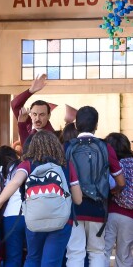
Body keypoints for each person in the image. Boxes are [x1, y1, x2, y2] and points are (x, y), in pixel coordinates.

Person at [0, 131, 83, 267]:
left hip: (34, 219)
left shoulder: (27, 164)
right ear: (55, 145)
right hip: (62, 221)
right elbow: (78, 199)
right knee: (51, 262)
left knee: (33, 258)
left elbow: (15, 182)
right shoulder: (67, 165)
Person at [65, 106, 126, 267]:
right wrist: (111, 191)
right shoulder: (106, 148)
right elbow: (121, 181)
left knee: (75, 253)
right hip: (98, 208)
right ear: (96, 125)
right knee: (97, 251)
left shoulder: (67, 147)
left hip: (73, 210)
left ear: (76, 125)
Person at [0, 145, 26, 267]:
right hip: (31, 215)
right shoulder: (27, 166)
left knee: (13, 257)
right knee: (33, 255)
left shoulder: (2, 170)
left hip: (11, 216)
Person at [104, 132, 133, 267]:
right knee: (124, 253)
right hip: (130, 217)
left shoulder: (113, 165)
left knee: (104, 250)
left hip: (111, 212)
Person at [10, 74, 55, 146]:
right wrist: (30, 91)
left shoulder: (50, 135)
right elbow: (15, 105)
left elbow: (28, 151)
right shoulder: (29, 123)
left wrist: (21, 125)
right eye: (34, 114)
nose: (37, 118)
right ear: (30, 114)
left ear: (48, 116)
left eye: (42, 114)